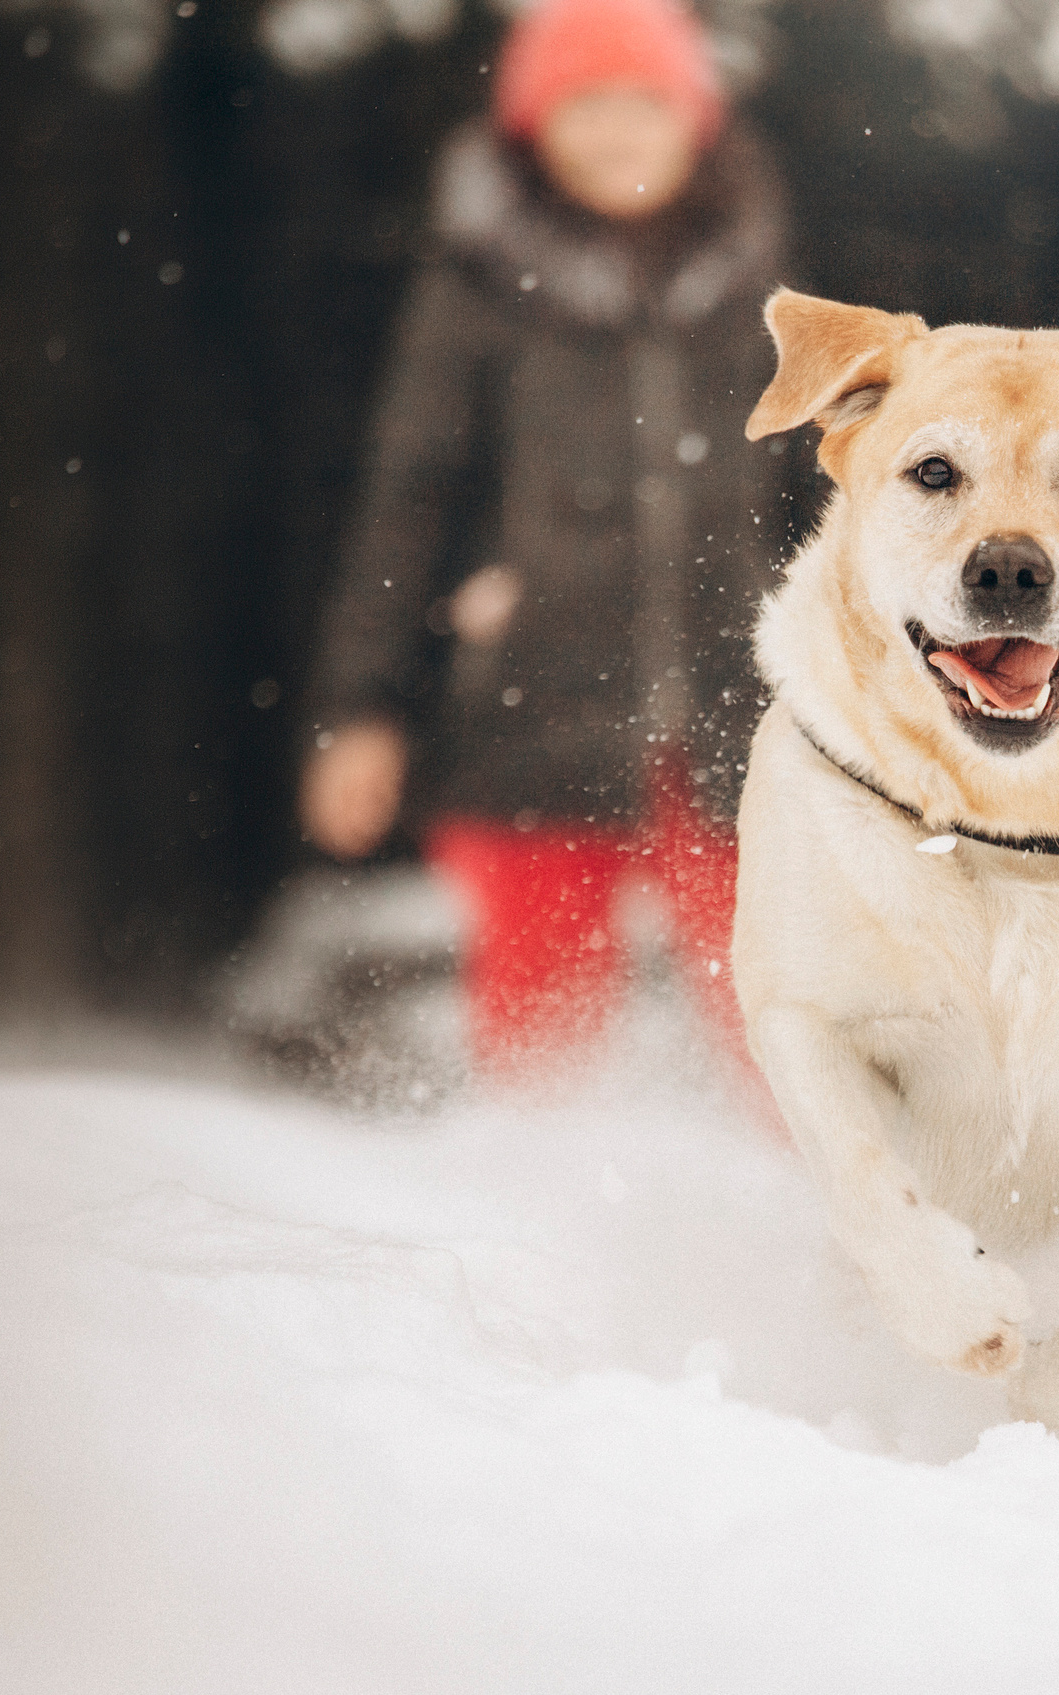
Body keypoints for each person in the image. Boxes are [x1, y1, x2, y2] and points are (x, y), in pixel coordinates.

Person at [300, 0, 785, 1077]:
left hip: (736, 712)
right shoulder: (478, 287)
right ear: (532, 127)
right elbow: (407, 500)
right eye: (585, 106)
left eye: (645, 103)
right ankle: (534, 1178)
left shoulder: (754, 284)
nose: (618, 133)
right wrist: (364, 709)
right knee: (539, 1053)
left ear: (694, 118)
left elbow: (825, 499)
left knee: (791, 1020)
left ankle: (812, 1181)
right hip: (530, 706)